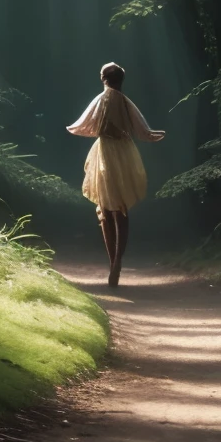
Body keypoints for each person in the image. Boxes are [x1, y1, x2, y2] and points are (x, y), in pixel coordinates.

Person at [66, 62, 165, 287]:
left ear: (104, 79)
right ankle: (117, 260)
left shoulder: (101, 100)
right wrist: (154, 135)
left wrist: (71, 128)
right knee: (121, 208)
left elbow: (84, 124)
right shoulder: (125, 102)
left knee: (106, 206)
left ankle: (113, 261)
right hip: (124, 151)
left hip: (106, 153)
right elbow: (142, 129)